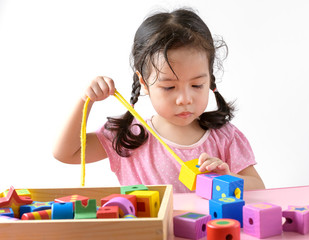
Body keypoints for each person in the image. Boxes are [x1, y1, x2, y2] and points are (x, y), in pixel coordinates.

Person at [53, 8, 265, 193]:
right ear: (144, 83)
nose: (184, 99)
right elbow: (66, 153)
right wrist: (86, 101)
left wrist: (227, 180)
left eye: (197, 85)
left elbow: (258, 186)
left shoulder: (225, 137)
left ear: (210, 79)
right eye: (169, 87)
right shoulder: (128, 137)